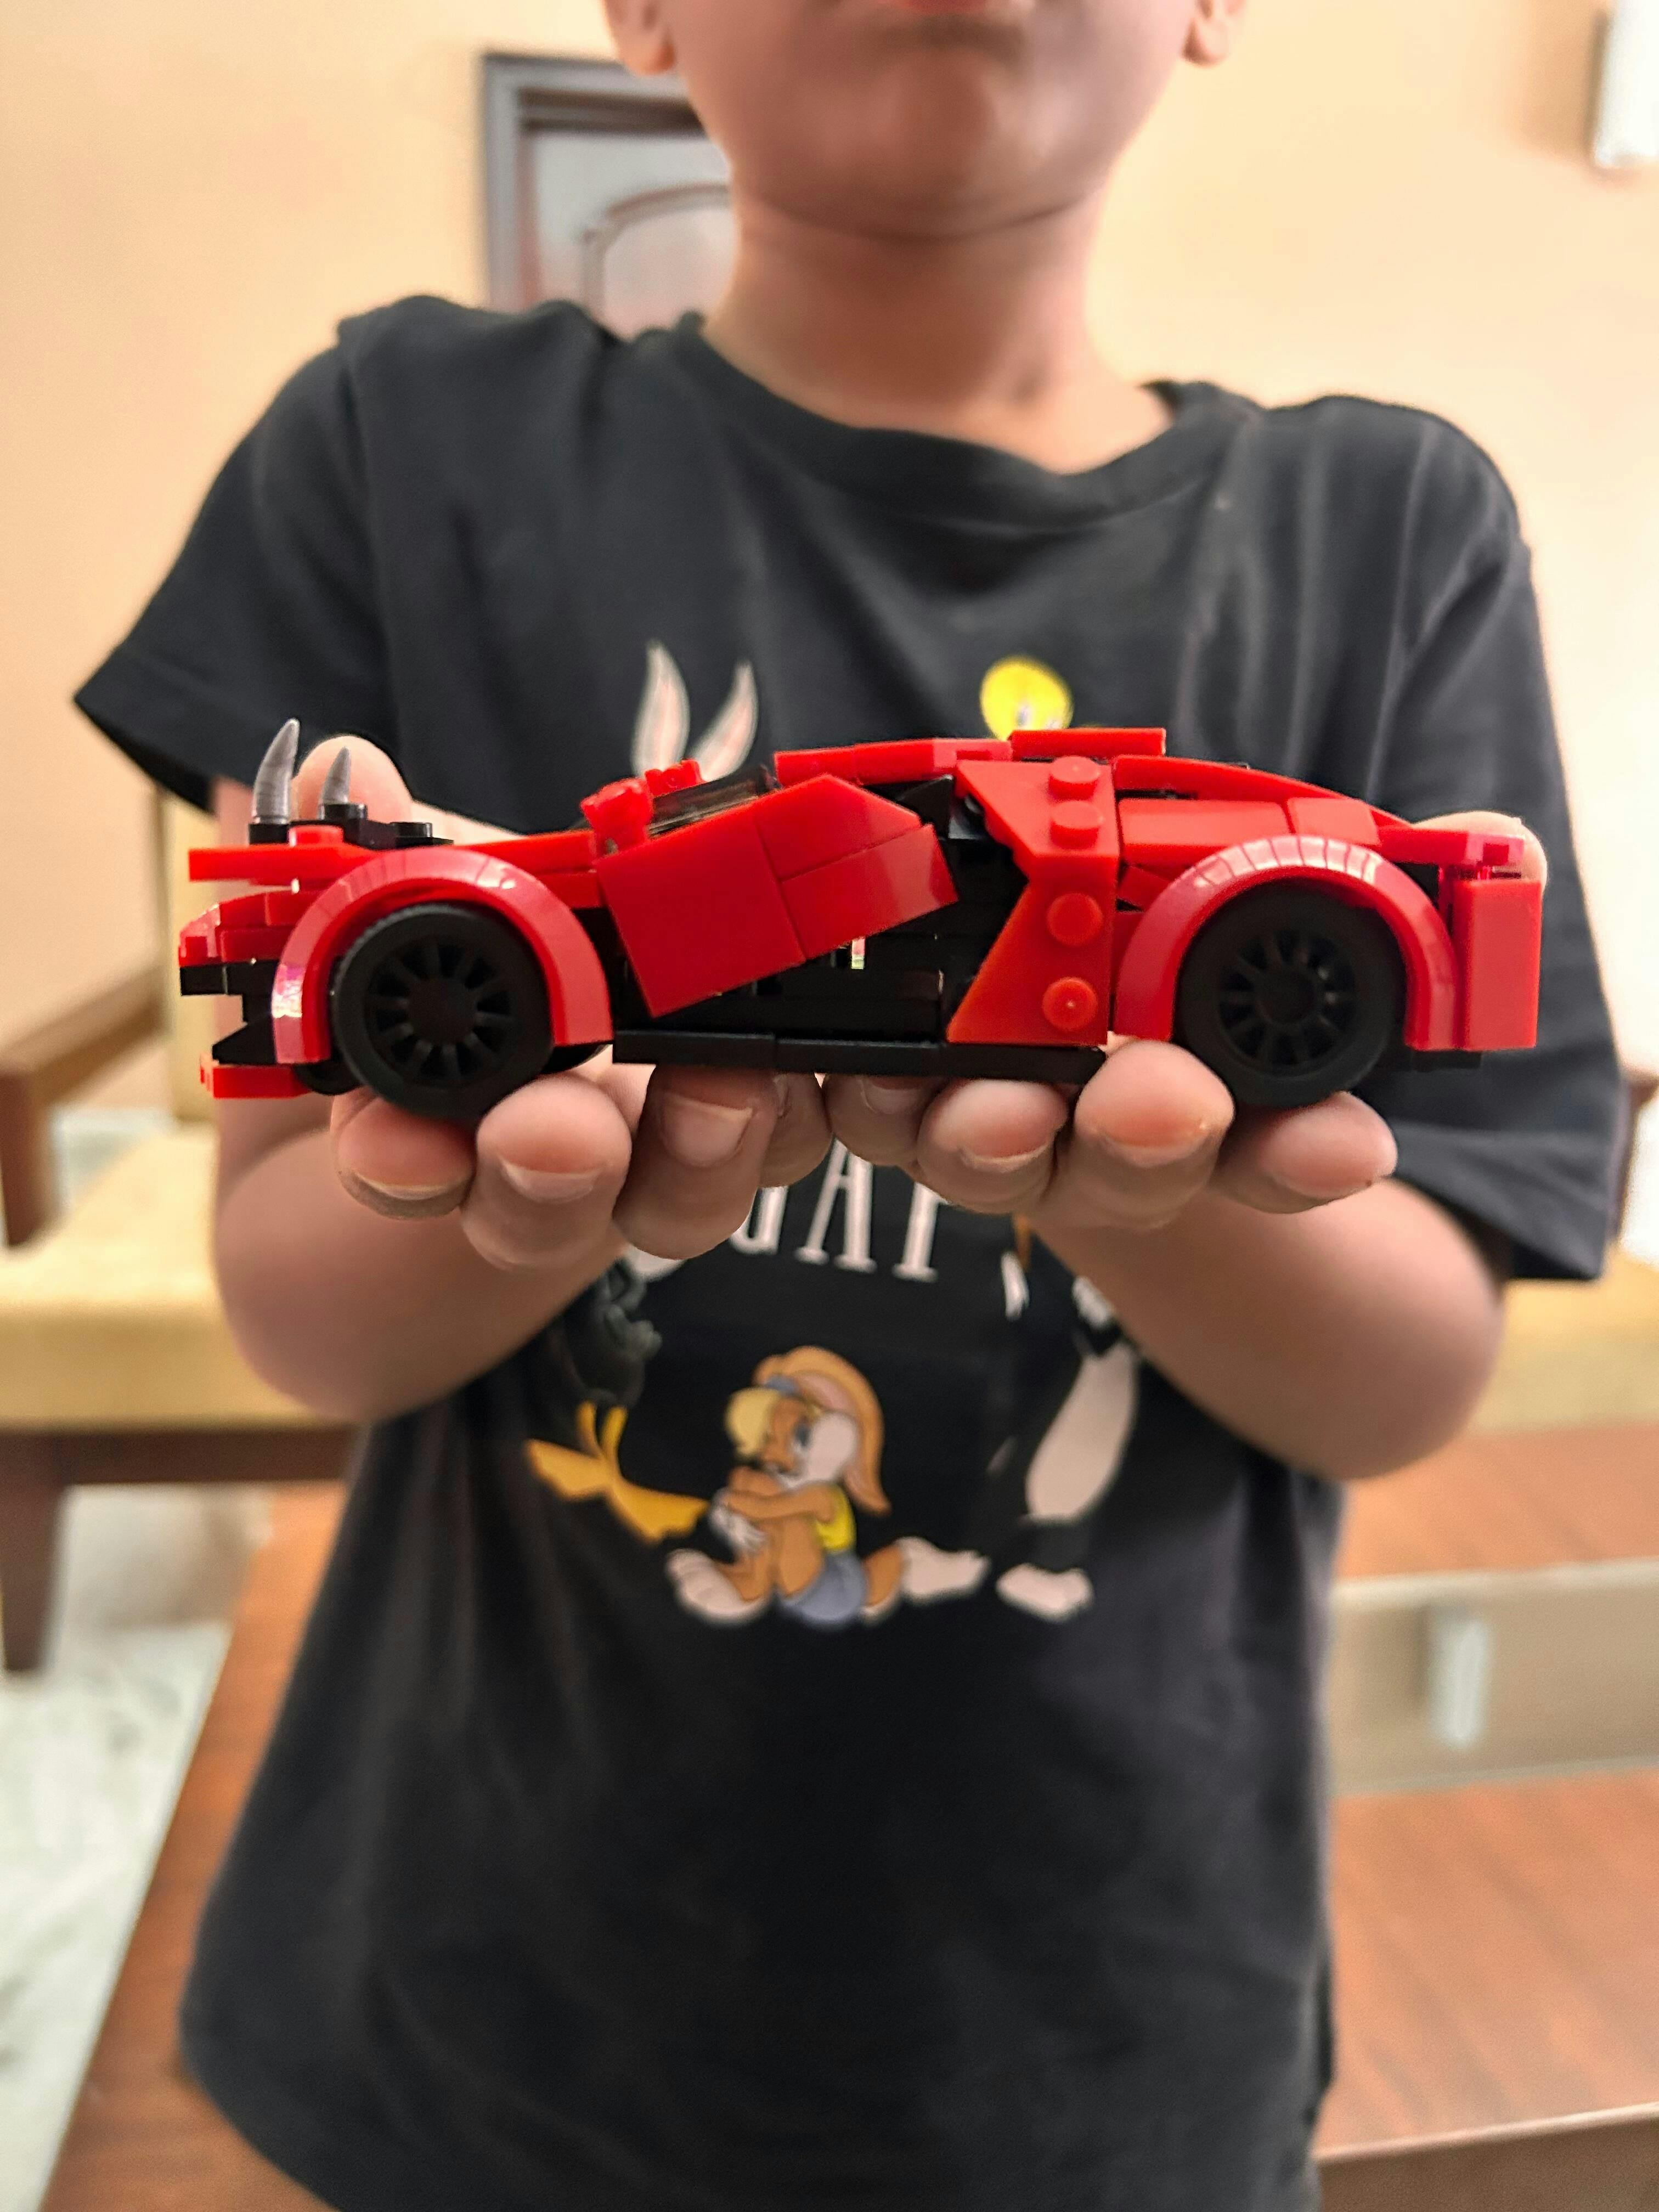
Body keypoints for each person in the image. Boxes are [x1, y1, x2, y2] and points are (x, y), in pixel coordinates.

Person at [75, 2, 1622, 2207]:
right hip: (464, 1997)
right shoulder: (402, 444)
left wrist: (1150, 1184)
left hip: (1102, 2032)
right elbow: (296, 1304)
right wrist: (529, 1186)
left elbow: (1408, 1373)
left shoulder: (1386, 531)